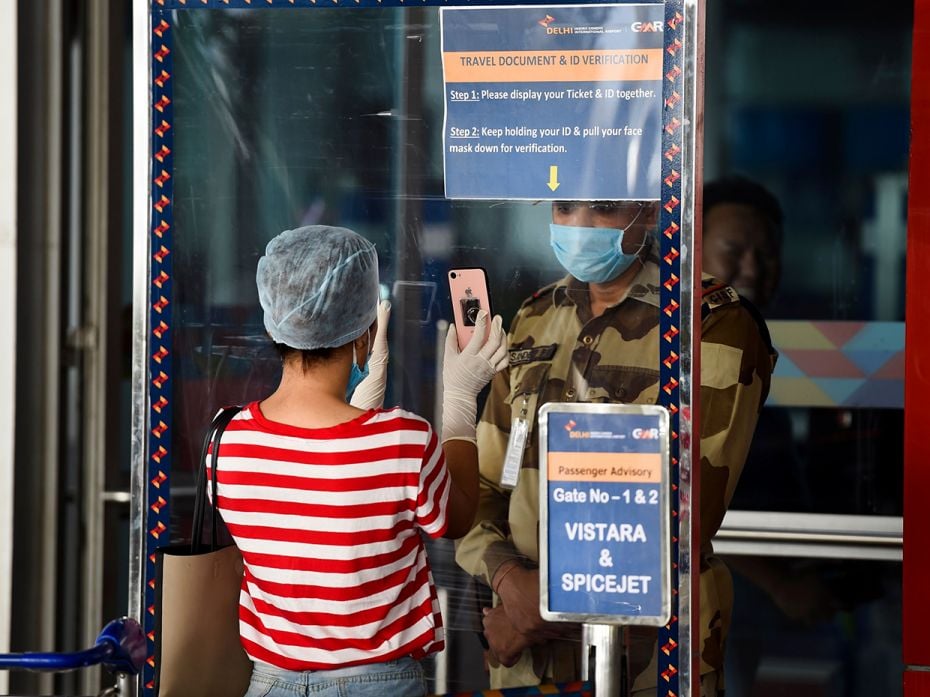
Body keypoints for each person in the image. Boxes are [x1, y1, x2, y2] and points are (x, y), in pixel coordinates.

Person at [454, 200, 776, 696]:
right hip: (526, 666)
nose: (579, 226)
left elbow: (683, 519)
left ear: (647, 214)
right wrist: (506, 579)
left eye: (603, 210)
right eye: (564, 208)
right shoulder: (535, 317)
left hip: (651, 661)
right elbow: (483, 486)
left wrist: (532, 613)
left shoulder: (706, 322)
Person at [209, 225, 508, 697]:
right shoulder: (401, 441)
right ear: (368, 332)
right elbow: (458, 517)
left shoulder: (225, 440)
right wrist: (460, 403)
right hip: (380, 684)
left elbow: (311, 497)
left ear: (275, 323)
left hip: (269, 683)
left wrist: (363, 415)